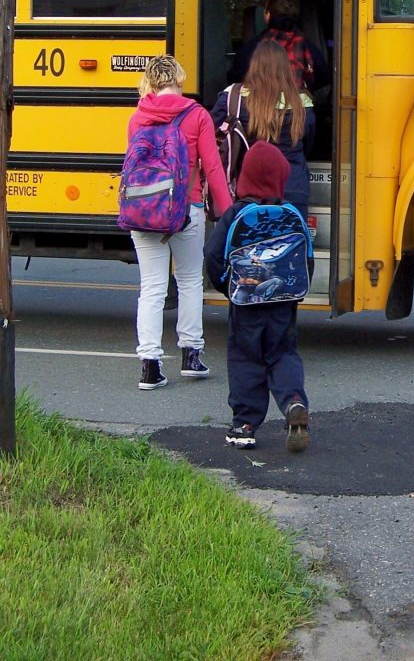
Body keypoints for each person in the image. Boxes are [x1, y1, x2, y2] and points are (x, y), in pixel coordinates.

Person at [127, 55, 233, 389]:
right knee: (188, 281)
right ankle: (191, 355)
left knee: (152, 287)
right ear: (179, 79)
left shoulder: (137, 117)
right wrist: (229, 213)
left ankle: (149, 364)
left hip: (144, 210)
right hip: (185, 209)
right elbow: (213, 168)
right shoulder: (197, 114)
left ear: (150, 81)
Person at [204, 141, 310, 452]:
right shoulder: (291, 213)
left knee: (246, 358)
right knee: (283, 353)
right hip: (283, 303)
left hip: (246, 303)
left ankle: (245, 425)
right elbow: (306, 258)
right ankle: (293, 401)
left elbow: (213, 255)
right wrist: (291, 293)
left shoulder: (236, 214)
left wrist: (229, 287)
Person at [211, 39, 315, 222]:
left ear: (254, 65)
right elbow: (309, 143)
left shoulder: (233, 97)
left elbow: (212, 134)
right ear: (285, 68)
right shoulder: (303, 102)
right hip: (294, 187)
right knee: (291, 246)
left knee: (249, 246)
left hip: (248, 188)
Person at [229, 0, 331, 92]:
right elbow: (323, 76)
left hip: (264, 104)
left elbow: (236, 77)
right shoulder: (306, 45)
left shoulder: (255, 46)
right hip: (299, 104)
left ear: (267, 15)